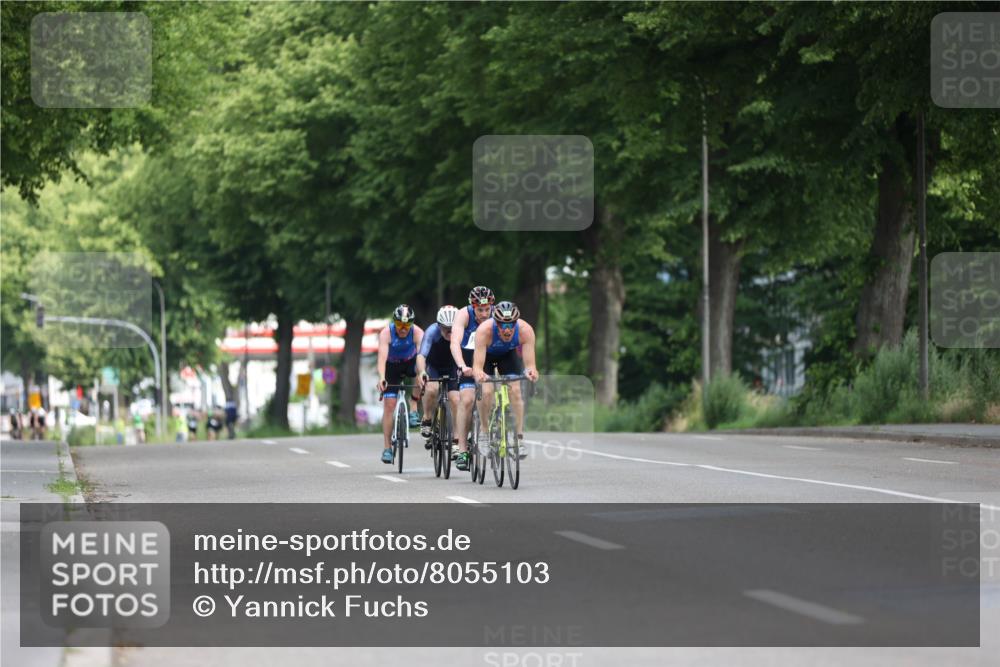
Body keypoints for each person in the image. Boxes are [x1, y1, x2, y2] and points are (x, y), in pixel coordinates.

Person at [472, 300, 539, 460]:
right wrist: (480, 374)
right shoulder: (484, 331)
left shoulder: (525, 331)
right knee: (487, 392)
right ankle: (484, 431)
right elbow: (477, 367)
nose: (507, 330)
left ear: (516, 323)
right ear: (496, 323)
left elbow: (530, 365)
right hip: (486, 358)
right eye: (503, 325)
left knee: (515, 391)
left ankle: (518, 439)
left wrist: (532, 372)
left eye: (511, 325)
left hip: (508, 356)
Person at [450, 286, 495, 471]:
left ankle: (486, 430)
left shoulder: (497, 314)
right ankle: (462, 450)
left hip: (488, 358)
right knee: (466, 400)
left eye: (487, 309)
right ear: (472, 306)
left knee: (489, 393)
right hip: (467, 359)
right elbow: (454, 343)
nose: (484, 314)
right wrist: (462, 365)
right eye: (480, 310)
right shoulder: (463, 315)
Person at [376, 305, 426, 464]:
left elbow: (421, 356)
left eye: (407, 325)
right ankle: (387, 447)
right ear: (394, 323)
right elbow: (382, 358)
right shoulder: (386, 333)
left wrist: (422, 372)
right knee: (389, 405)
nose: (403, 329)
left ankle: (413, 408)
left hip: (411, 362)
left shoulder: (418, 332)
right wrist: (382, 377)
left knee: (420, 374)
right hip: (391, 367)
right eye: (399, 325)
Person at [417, 305, 461, 450]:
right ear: (439, 325)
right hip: (434, 366)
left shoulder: (462, 331)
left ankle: (456, 438)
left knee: (455, 399)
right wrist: (422, 371)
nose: (450, 331)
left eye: (452, 327)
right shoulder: (431, 332)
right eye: (445, 328)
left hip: (453, 366)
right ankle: (427, 419)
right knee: (431, 389)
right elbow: (421, 355)